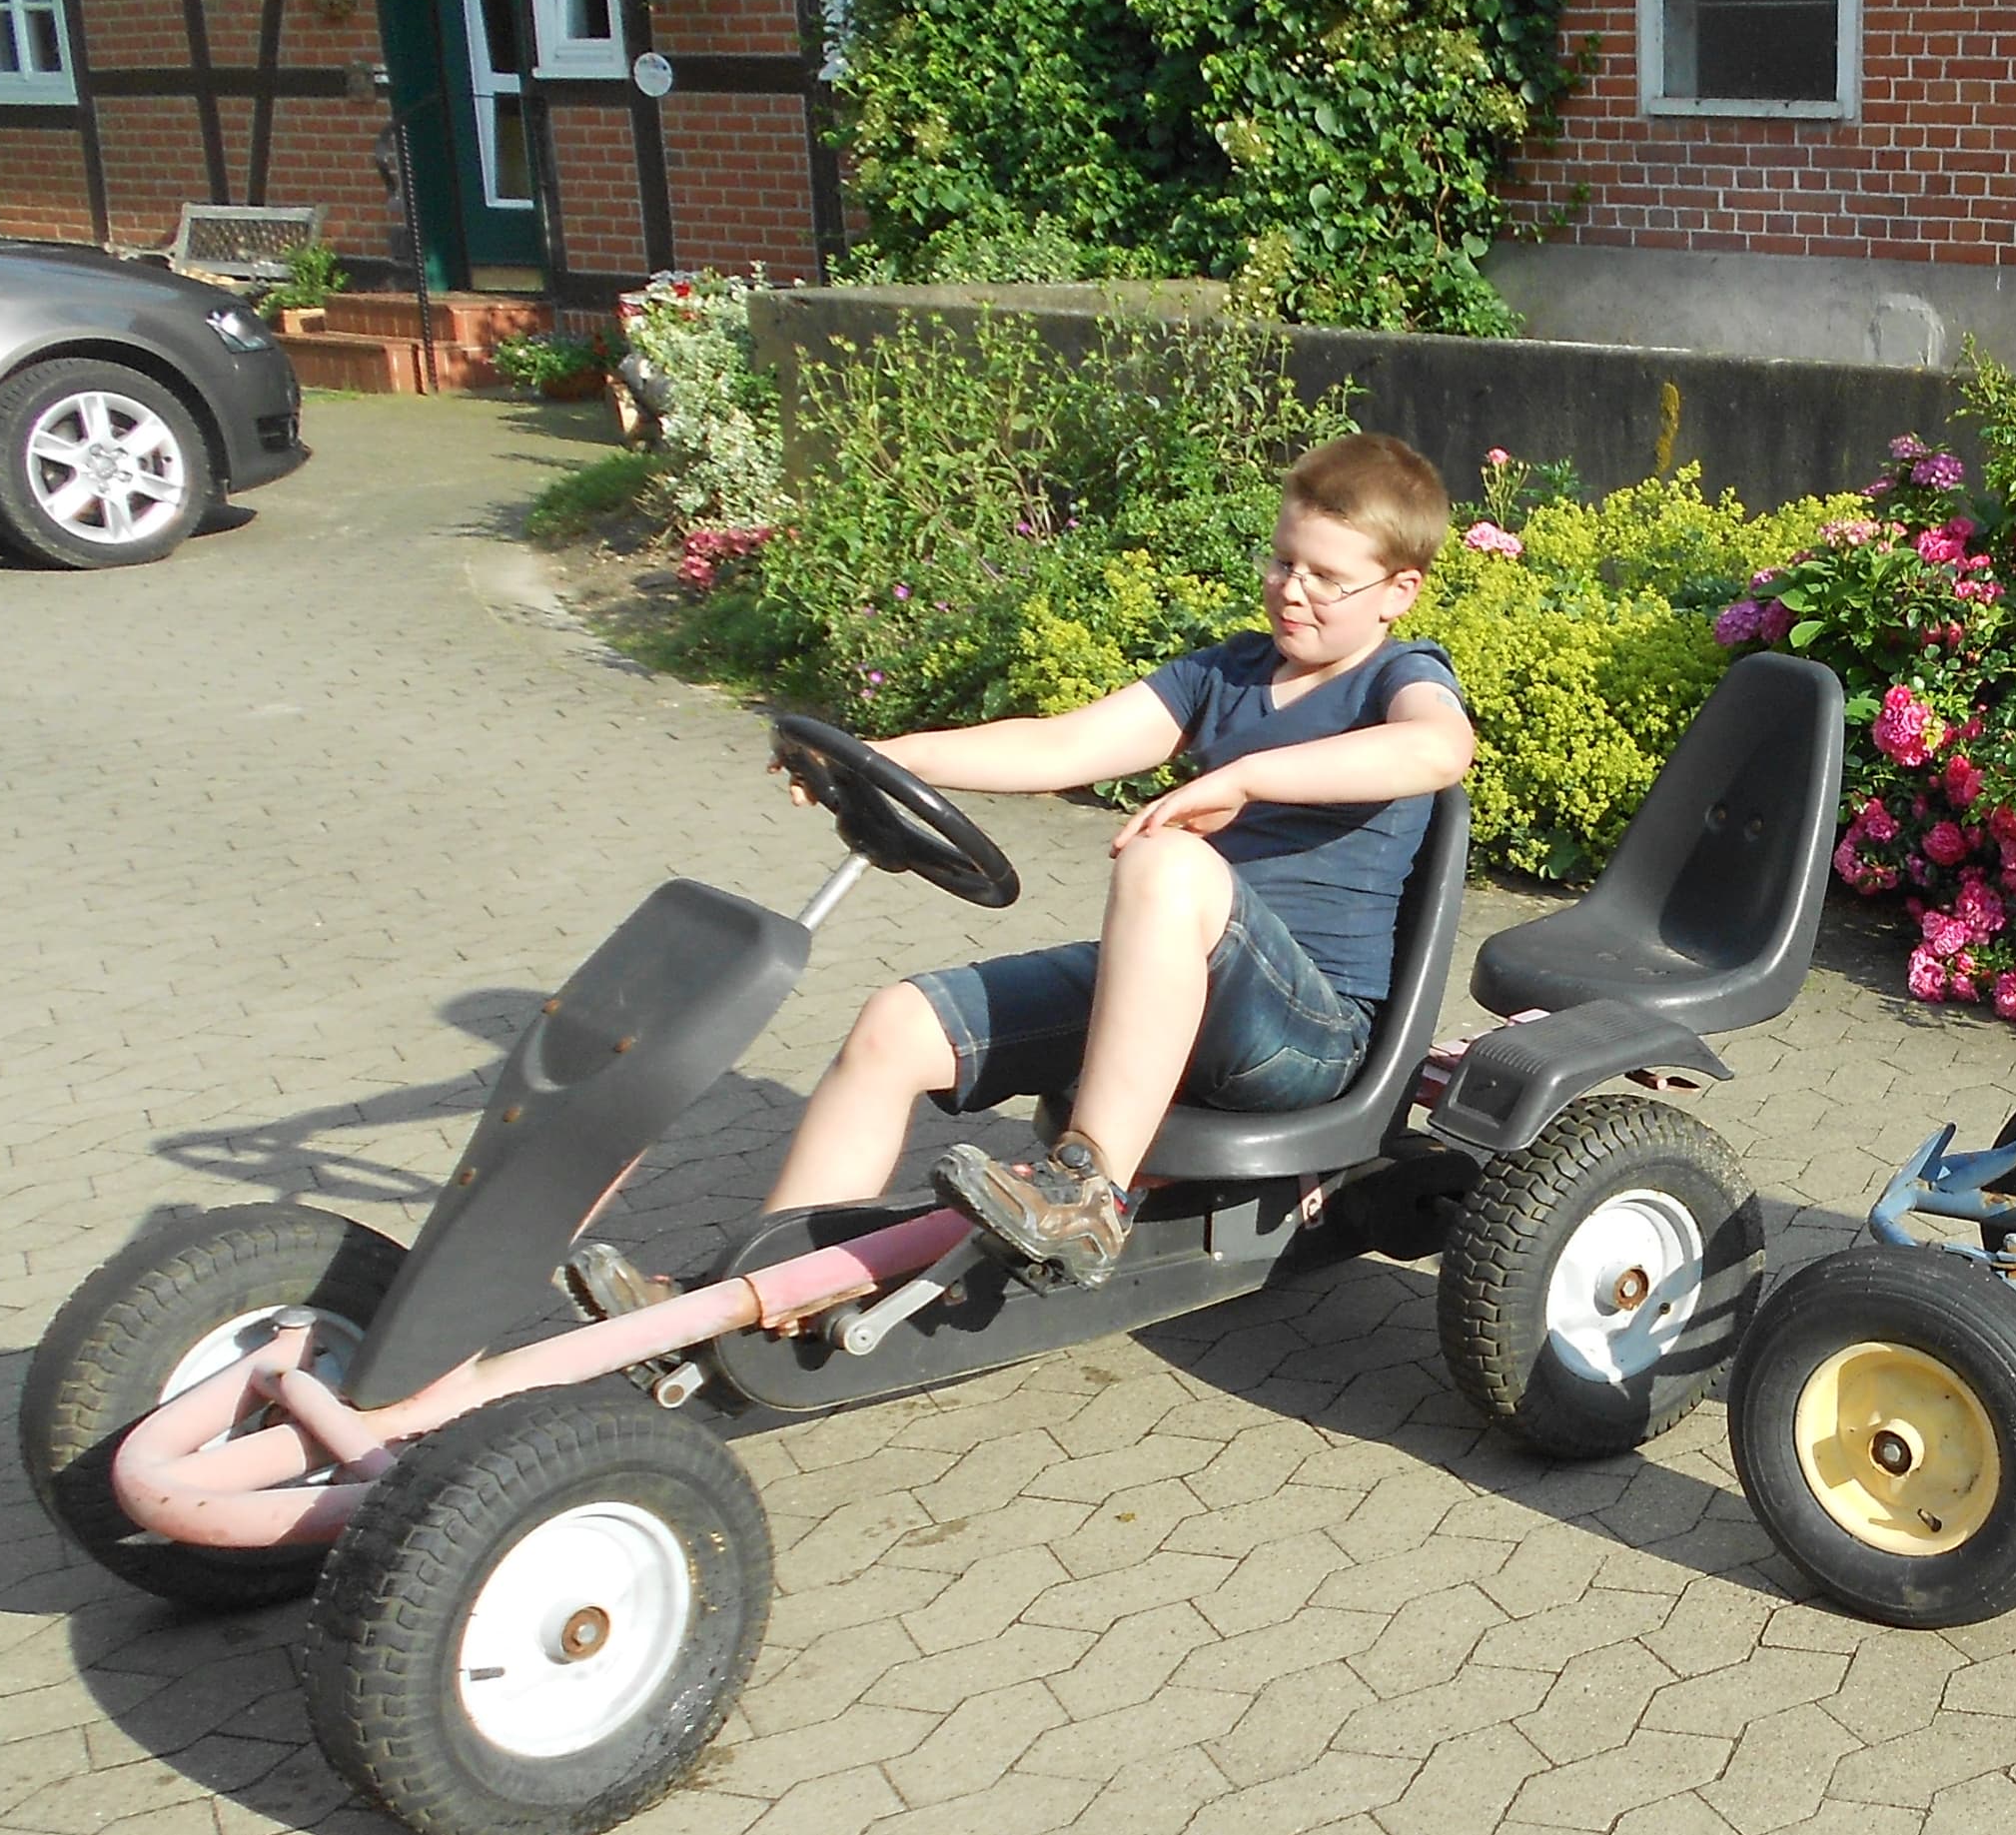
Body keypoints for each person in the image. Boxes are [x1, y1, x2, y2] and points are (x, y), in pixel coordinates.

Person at [569, 430, 1474, 1305]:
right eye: (1283, 561)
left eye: (1327, 577)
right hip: (1181, 995)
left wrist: (1248, 775)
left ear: (1399, 591)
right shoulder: (1226, 675)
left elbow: (1439, 750)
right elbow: (1062, 744)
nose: (1292, 591)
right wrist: (885, 752)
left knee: (1166, 863)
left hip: (1305, 1037)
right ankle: (759, 1295)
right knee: (895, 1026)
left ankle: (1089, 1191)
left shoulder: (1398, 678)